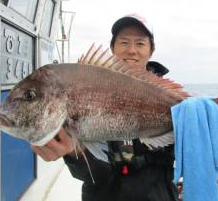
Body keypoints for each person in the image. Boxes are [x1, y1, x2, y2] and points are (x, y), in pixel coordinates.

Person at [31, 14, 179, 201]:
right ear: (112, 48)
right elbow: (95, 176)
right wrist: (75, 152)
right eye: (124, 42)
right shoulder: (86, 86)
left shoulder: (170, 100)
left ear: (151, 51)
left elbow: (194, 160)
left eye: (140, 43)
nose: (131, 50)